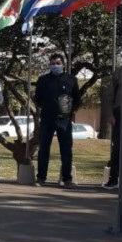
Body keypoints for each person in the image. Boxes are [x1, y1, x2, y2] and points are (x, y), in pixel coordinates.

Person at [33, 53, 81, 188]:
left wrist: (71, 112)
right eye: (53, 63)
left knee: (66, 150)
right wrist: (46, 106)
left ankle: (67, 179)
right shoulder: (43, 80)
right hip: (47, 119)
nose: (55, 66)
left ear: (63, 65)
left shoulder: (71, 80)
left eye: (58, 63)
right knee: (43, 150)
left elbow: (77, 99)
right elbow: (37, 98)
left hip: (64, 120)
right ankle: (41, 178)